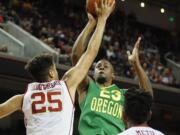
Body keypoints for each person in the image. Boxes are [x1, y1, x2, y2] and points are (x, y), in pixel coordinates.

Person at [0, 1, 115, 134]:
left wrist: (92, 23)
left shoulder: (23, 98)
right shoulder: (66, 85)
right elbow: (91, 52)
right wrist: (102, 19)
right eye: (55, 69)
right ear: (50, 73)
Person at [72, 20, 153, 134]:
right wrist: (90, 23)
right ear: (93, 73)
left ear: (113, 75)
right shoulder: (87, 86)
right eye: (98, 66)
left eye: (106, 66)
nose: (101, 67)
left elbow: (147, 96)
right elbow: (76, 56)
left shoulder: (123, 94)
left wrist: (136, 64)